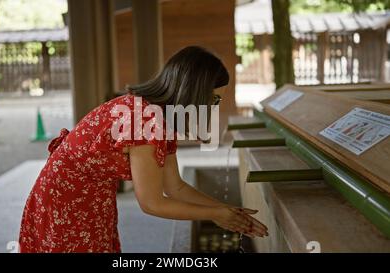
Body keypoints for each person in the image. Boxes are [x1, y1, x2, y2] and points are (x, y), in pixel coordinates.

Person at [18, 46, 268, 253]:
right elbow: (151, 203)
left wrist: (224, 211)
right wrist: (214, 214)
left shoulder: (159, 117)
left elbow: (175, 187)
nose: (214, 107)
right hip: (67, 203)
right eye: (214, 99)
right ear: (193, 92)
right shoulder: (145, 122)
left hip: (90, 198)